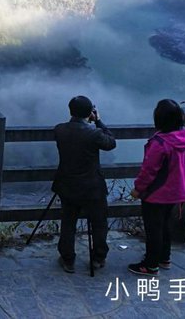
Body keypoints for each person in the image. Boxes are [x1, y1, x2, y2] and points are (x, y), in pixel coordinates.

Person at [52, 95, 116, 273]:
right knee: (99, 222)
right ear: (90, 113)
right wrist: (99, 122)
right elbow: (111, 143)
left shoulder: (59, 130)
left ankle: (68, 259)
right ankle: (98, 257)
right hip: (92, 187)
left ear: (70, 111)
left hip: (67, 184)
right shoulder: (94, 133)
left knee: (68, 222)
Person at [128, 99, 185, 276]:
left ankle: (150, 265)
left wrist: (138, 189)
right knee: (165, 225)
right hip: (177, 191)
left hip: (157, 193)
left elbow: (148, 171)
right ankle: (164, 258)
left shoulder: (159, 143)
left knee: (153, 229)